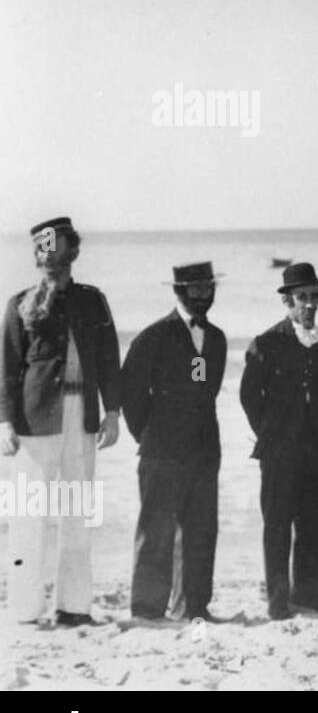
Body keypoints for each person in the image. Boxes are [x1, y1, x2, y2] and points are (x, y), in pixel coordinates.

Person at [1, 217, 122, 626]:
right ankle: (24, 610)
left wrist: (113, 412)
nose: (48, 257)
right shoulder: (19, 303)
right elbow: (6, 370)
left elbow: (108, 358)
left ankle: (74, 607)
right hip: (34, 423)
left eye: (56, 249)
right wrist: (3, 423)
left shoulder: (92, 300)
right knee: (27, 518)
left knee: (76, 516)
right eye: (41, 250)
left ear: (73, 251)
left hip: (81, 418)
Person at [122, 261, 228, 621]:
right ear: (178, 291)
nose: (204, 295)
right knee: (156, 532)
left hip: (203, 450)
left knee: (200, 532)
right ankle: (148, 609)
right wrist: (150, 434)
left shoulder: (216, 338)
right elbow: (131, 392)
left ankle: (193, 606)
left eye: (208, 288)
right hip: (162, 451)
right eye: (196, 289)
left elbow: (205, 389)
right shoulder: (154, 336)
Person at [239, 262, 318, 620]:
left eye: (314, 297)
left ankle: (309, 599)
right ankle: (279, 603)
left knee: (312, 523)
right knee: (277, 524)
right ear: (287, 302)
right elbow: (250, 395)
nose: (309, 305)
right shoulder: (267, 342)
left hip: (315, 447)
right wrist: (271, 432)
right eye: (302, 298)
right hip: (279, 450)